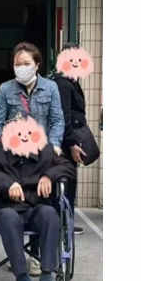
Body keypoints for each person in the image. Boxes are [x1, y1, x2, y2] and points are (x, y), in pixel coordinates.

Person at [0, 41, 65, 274]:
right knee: (15, 202)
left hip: (42, 155)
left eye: (26, 63)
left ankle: (37, 255)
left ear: (37, 65)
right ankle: (17, 253)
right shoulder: (6, 89)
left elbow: (57, 120)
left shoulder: (50, 88)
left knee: (42, 199)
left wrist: (55, 146)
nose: (21, 68)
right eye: (17, 64)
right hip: (15, 154)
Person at [0, 115, 76, 281]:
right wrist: (8, 184)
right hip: (8, 208)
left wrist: (49, 176)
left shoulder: (45, 150)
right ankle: (22, 280)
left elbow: (68, 167)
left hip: (36, 208)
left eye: (29, 132)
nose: (24, 137)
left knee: (50, 214)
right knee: (9, 218)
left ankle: (47, 278)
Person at [52, 43, 97, 235]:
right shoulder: (62, 83)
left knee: (69, 182)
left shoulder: (70, 80)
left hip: (68, 140)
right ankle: (63, 224)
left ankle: (65, 222)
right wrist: (71, 144)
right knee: (66, 183)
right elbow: (64, 117)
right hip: (64, 143)